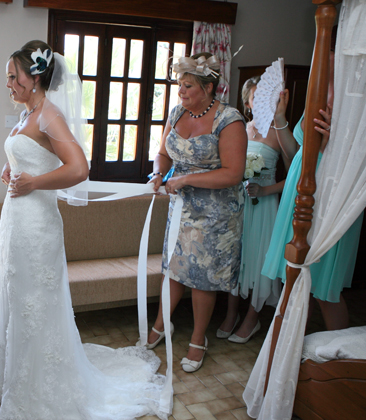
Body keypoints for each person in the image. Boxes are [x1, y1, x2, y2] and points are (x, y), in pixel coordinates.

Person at [0, 40, 169, 420]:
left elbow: (79, 169)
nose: (8, 84)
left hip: (37, 226)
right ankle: (11, 377)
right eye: (8, 78)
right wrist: (12, 169)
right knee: (17, 300)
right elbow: (31, 157)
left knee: (37, 305)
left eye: (13, 77)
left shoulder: (49, 115)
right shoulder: (26, 116)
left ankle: (41, 390)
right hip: (18, 221)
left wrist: (34, 183)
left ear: (34, 78)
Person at [144, 53, 247, 372]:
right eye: (179, 84)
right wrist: (159, 174)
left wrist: (186, 178)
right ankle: (162, 325)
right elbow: (162, 154)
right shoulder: (176, 114)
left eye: (187, 85)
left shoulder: (229, 120)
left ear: (209, 87)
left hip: (216, 213)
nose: (180, 91)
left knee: (202, 277)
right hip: (181, 209)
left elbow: (233, 173)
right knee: (172, 269)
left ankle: (198, 338)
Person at [261, 35, 363, 331]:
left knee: (324, 290)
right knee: (293, 282)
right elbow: (295, 154)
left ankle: (339, 358)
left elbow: (354, 163)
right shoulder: (314, 93)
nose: (323, 57)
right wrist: (280, 117)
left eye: (329, 52)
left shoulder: (354, 103)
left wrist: (335, 146)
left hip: (329, 196)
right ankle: (289, 356)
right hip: (298, 189)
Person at [216, 77, 287, 343]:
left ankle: (252, 319)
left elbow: (297, 177)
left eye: (267, 96)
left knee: (259, 260)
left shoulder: (279, 131)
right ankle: (231, 313)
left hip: (265, 205)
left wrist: (266, 190)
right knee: (238, 258)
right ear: (247, 102)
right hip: (240, 205)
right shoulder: (241, 129)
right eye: (256, 97)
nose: (262, 101)